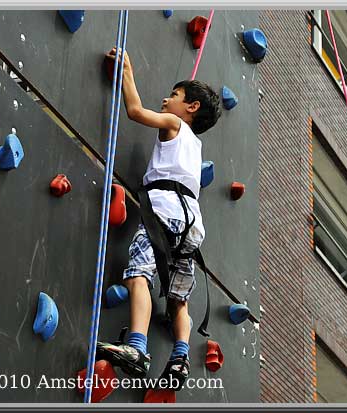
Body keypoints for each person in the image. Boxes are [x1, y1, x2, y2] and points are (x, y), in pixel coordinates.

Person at [97, 48, 221, 390]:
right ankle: (180, 358)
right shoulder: (196, 147)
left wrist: (127, 72)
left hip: (164, 212)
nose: (167, 99)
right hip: (192, 224)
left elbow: (136, 111)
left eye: (175, 95)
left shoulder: (175, 123)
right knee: (178, 298)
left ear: (191, 108)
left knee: (139, 274)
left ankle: (137, 347)